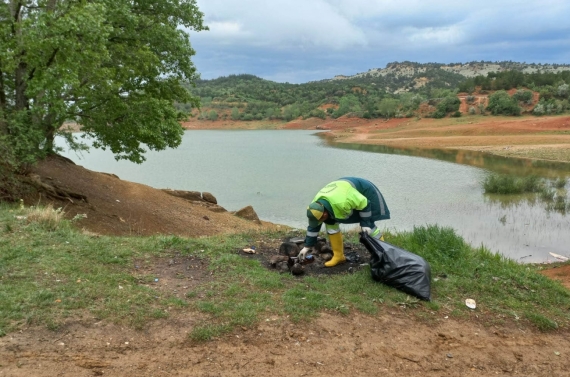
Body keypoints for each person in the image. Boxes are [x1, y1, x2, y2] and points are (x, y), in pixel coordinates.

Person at [298, 177, 390, 267]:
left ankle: (384, 256)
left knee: (369, 227)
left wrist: (365, 224)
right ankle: (339, 257)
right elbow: (313, 227)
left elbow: (364, 203)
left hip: (364, 191)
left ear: (325, 214)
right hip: (339, 195)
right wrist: (307, 246)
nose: (318, 222)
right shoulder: (315, 206)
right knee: (331, 223)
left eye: (320, 219)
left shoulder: (343, 201)